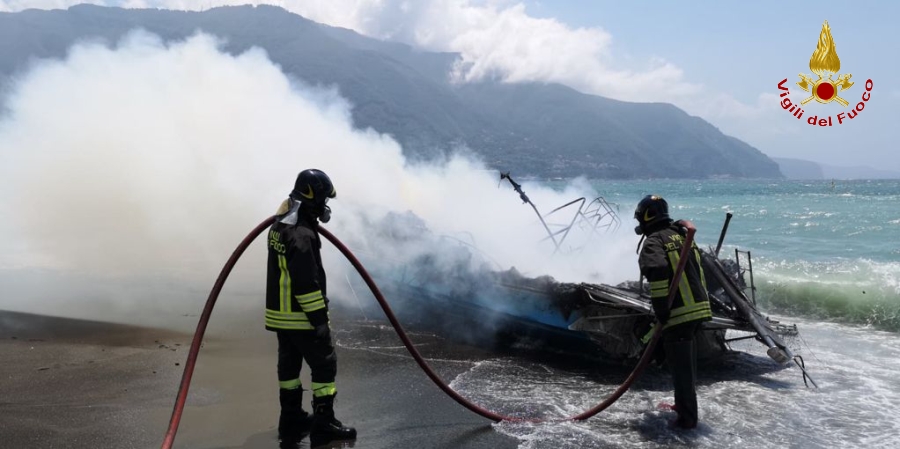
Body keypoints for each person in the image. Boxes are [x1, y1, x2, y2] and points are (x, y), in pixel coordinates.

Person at [266, 168, 356, 446]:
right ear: (311, 197)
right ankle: (324, 422)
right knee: (324, 365)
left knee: (289, 367)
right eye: (322, 200)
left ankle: (291, 418)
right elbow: (306, 283)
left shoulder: (280, 224)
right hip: (300, 316)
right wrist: (319, 319)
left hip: (281, 316)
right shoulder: (302, 235)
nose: (325, 207)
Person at [633, 194, 712, 429]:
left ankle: (687, 420)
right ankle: (682, 405)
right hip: (699, 308)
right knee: (686, 363)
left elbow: (657, 270)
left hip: (678, 313)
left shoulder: (654, 241)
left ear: (645, 218)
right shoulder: (681, 235)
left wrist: (660, 307)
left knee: (681, 368)